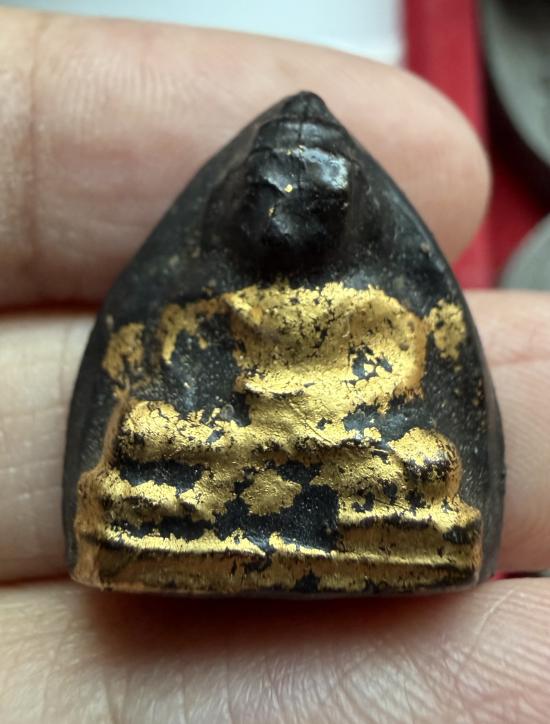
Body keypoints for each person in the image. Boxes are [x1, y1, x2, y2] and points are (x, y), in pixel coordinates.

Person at [0, 7, 548, 721]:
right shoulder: (211, 302)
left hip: (339, 449)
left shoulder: (378, 309)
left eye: (307, 196)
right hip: (229, 450)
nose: (281, 213)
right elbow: (163, 377)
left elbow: (398, 381)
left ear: (343, 208)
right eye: (266, 194)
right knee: (137, 435)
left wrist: (324, 411)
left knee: (427, 462)